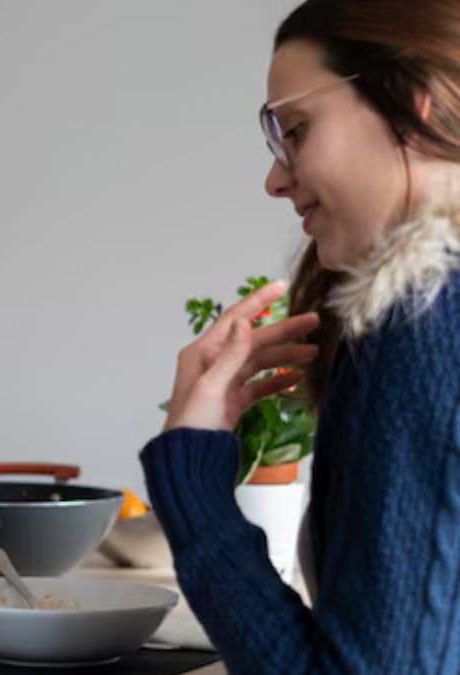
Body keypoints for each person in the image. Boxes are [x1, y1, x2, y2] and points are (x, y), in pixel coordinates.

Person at [143, 0, 460, 672]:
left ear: (410, 102)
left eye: (296, 129)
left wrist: (190, 473)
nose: (275, 177)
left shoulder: (428, 325)